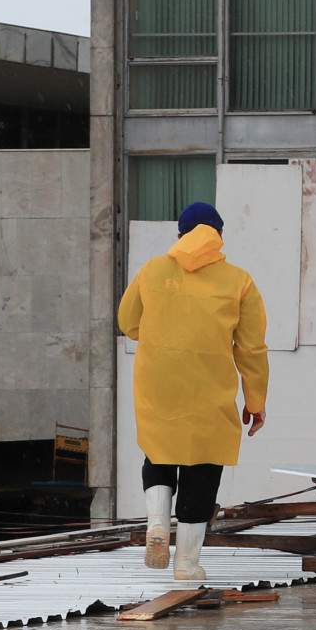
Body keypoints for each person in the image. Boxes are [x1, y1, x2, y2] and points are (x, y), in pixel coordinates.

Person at [117, 201, 270, 582]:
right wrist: (255, 400)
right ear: (218, 237)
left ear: (180, 234)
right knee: (202, 466)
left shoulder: (153, 270)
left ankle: (156, 524)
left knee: (160, 451)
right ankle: (186, 563)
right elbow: (251, 349)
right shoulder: (239, 281)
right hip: (208, 385)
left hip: (158, 380)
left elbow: (127, 321)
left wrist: (159, 333)